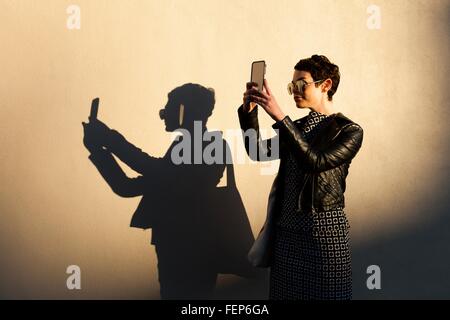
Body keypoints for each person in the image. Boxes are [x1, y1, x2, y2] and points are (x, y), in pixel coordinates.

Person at [238, 54, 364, 300]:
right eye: (291, 86)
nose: (294, 91)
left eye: (301, 84)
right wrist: (248, 113)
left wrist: (280, 117)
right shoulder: (296, 127)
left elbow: (315, 162)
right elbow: (258, 151)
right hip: (287, 240)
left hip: (324, 241)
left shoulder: (349, 131)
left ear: (325, 85)